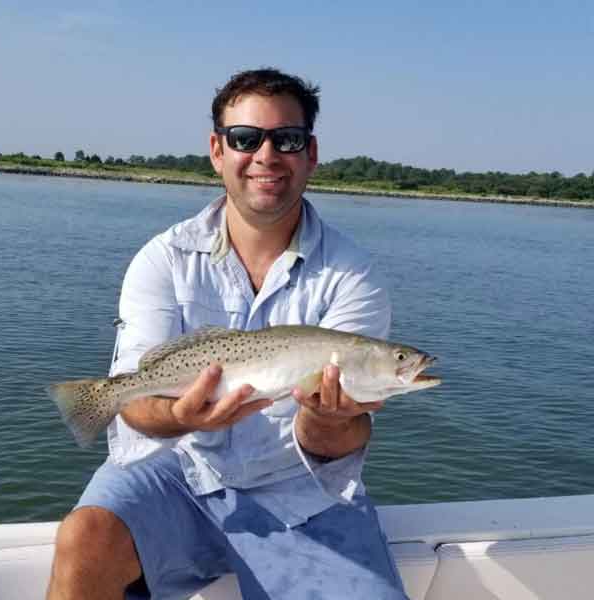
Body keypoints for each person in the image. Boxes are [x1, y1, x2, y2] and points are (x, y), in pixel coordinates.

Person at [46, 68, 408, 600]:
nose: (266, 155)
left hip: (303, 491)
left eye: (286, 139)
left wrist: (327, 416)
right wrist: (176, 414)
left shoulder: (354, 275)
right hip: (177, 470)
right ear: (218, 150)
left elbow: (337, 442)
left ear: (310, 153)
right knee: (84, 538)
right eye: (245, 139)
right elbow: (134, 398)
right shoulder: (162, 259)